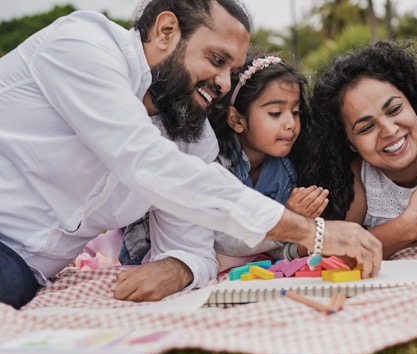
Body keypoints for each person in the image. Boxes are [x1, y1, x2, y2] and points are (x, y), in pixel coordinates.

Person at [0, 0, 381, 310]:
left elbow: (195, 248)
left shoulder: (191, 137)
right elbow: (146, 163)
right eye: (217, 60)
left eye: (232, 70)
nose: (224, 83)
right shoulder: (82, 45)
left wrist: (178, 267)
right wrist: (312, 232)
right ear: (166, 32)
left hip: (22, 273)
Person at [120, 50, 328, 268]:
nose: (291, 124)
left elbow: (272, 246)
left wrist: (302, 242)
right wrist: (287, 219)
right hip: (167, 259)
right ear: (237, 120)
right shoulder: (214, 162)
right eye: (275, 113)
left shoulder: (284, 171)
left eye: (295, 112)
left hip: (239, 264)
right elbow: (222, 240)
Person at [300, 41, 417, 260]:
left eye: (395, 109)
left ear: (414, 103)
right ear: (349, 143)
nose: (389, 130)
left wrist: (379, 239)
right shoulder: (355, 175)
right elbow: (334, 256)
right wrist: (410, 225)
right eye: (366, 127)